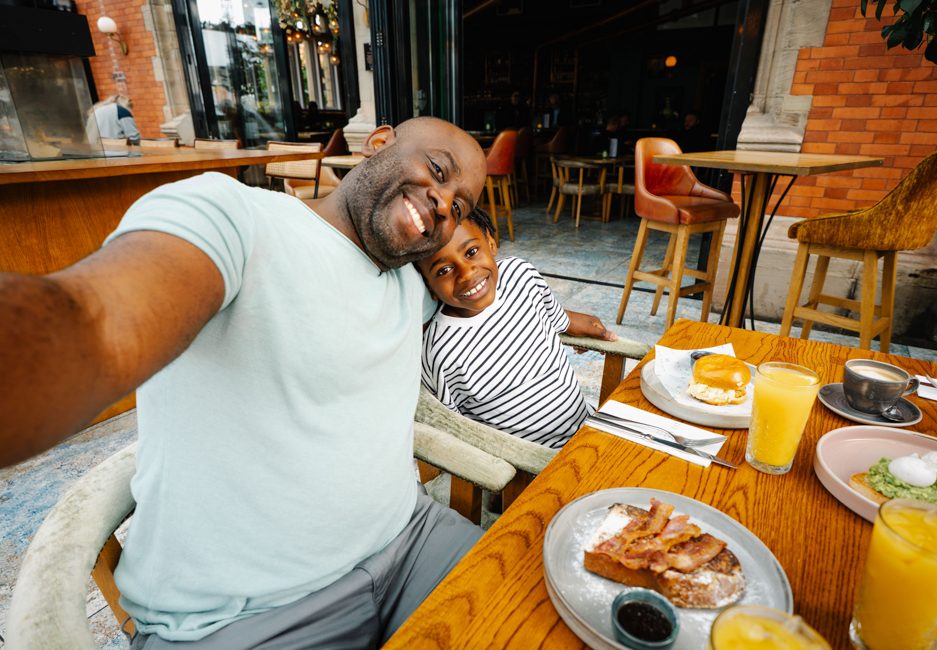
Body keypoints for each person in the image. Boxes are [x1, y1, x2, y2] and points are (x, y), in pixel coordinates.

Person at [0, 117, 488, 647]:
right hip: (248, 617)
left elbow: (483, 286)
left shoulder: (411, 284)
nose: (444, 203)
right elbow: (95, 320)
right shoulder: (237, 220)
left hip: (412, 542)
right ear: (378, 143)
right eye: (437, 170)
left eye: (460, 207)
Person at [417, 207, 616, 450]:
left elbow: (554, 316)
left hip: (587, 427)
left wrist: (581, 323)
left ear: (491, 243)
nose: (466, 274)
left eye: (471, 252)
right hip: (532, 462)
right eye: (444, 271)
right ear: (429, 286)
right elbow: (455, 432)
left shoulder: (522, 277)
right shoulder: (439, 352)